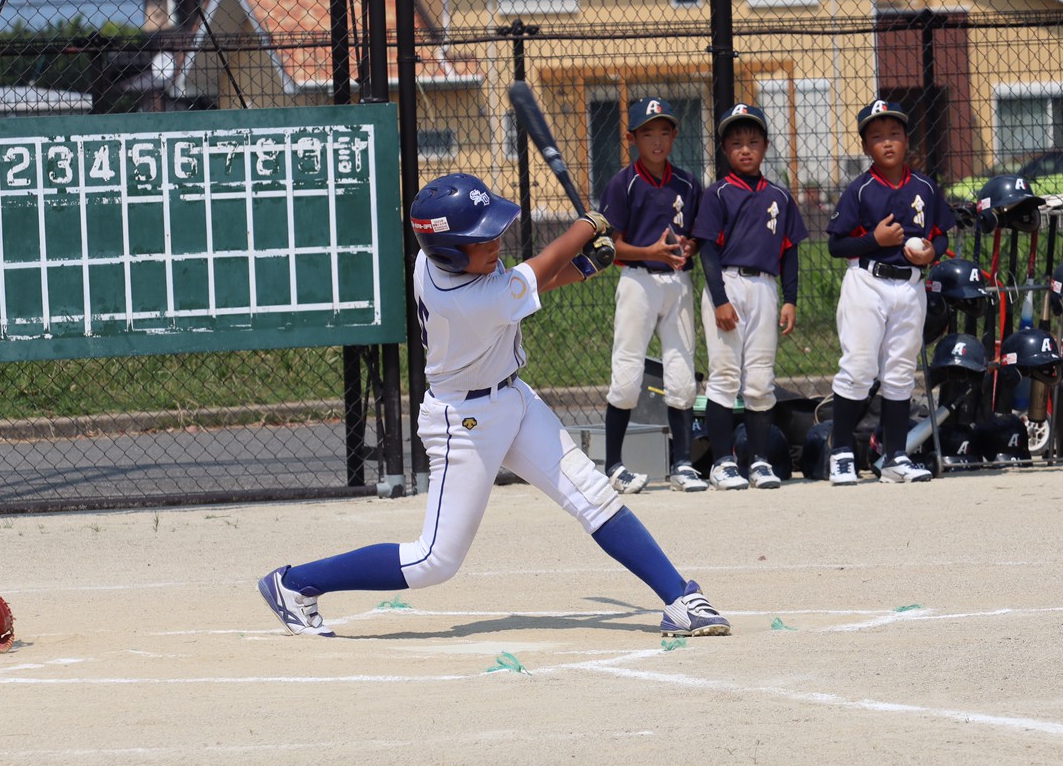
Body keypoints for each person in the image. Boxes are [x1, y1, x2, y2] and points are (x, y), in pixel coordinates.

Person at [258, 174, 729, 639]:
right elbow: (541, 266)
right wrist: (588, 225)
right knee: (433, 561)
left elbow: (529, 282)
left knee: (593, 494)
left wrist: (584, 265)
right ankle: (295, 584)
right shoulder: (465, 297)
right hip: (463, 424)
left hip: (513, 401)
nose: (497, 243)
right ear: (449, 250)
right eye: (484, 238)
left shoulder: (449, 265)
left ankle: (680, 597)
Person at [825, 99, 957, 484]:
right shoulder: (861, 189)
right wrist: (874, 239)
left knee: (900, 372)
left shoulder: (925, 187)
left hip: (910, 285)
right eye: (877, 136)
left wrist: (935, 249)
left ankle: (895, 457)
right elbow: (836, 246)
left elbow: (941, 232)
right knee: (860, 368)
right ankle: (842, 453)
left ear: (906, 141)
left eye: (894, 134)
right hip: (867, 282)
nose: (887, 143)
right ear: (866, 146)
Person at [689, 103, 808, 490]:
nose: (745, 149)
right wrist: (720, 298)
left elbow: (790, 250)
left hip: (765, 288)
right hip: (727, 282)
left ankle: (758, 462)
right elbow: (706, 249)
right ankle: (722, 462)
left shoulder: (780, 196)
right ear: (724, 149)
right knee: (724, 376)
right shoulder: (718, 193)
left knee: (759, 381)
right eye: (736, 142)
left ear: (766, 146)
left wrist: (790, 298)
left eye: (752, 142)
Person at [596, 97, 705, 494]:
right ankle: (613, 465)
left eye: (664, 132)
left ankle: (682, 464)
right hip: (638, 280)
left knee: (681, 375)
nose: (656, 141)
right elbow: (610, 247)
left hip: (677, 283)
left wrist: (686, 248)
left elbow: (693, 235)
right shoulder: (623, 183)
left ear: (675, 135)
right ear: (632, 139)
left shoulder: (688, 183)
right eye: (647, 133)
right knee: (627, 375)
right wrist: (651, 253)